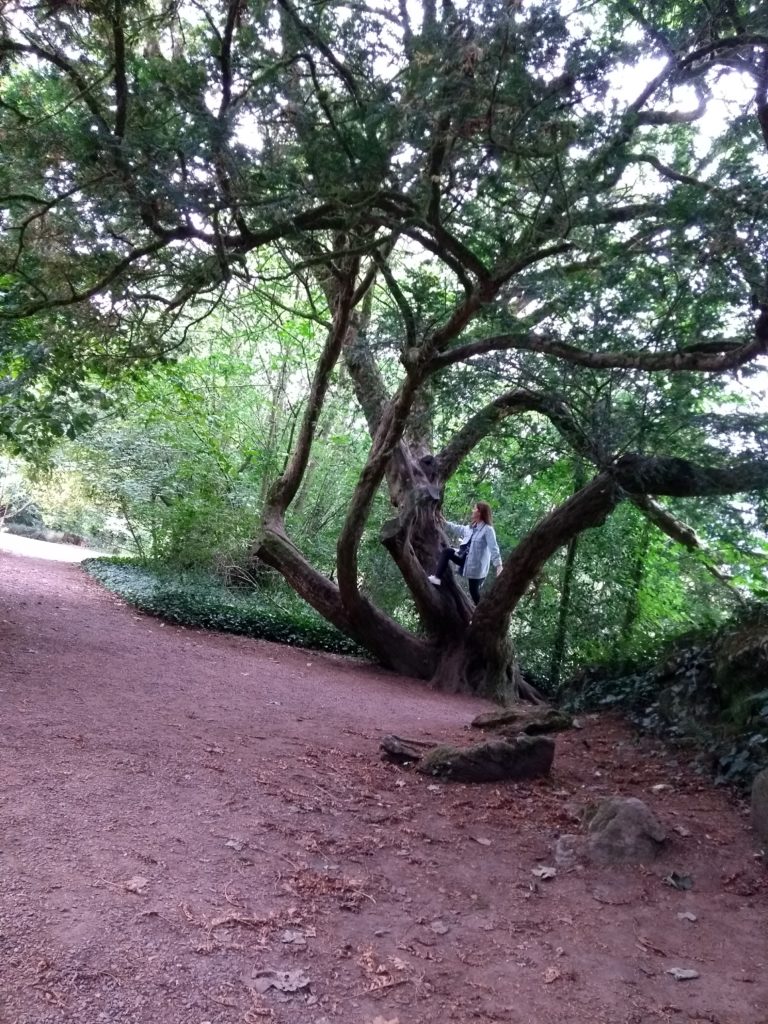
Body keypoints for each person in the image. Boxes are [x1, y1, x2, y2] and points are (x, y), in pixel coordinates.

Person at [427, 501, 503, 605]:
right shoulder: (472, 527)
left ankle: (481, 613)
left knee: (474, 592)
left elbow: (494, 547)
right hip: (465, 559)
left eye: (475, 508)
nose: (472, 510)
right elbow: (459, 529)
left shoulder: (488, 530)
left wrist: (499, 566)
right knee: (447, 552)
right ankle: (437, 578)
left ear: (480, 513)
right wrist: (444, 523)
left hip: (476, 568)